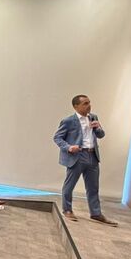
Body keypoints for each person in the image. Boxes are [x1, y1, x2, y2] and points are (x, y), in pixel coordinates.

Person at [53, 95, 116, 226]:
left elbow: (101, 135)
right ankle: (67, 210)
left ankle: (96, 213)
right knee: (69, 185)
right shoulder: (69, 121)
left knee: (93, 187)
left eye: (89, 103)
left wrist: (98, 127)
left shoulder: (93, 117)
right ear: (76, 106)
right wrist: (69, 147)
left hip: (92, 156)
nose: (89, 105)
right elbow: (57, 138)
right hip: (77, 156)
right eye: (85, 103)